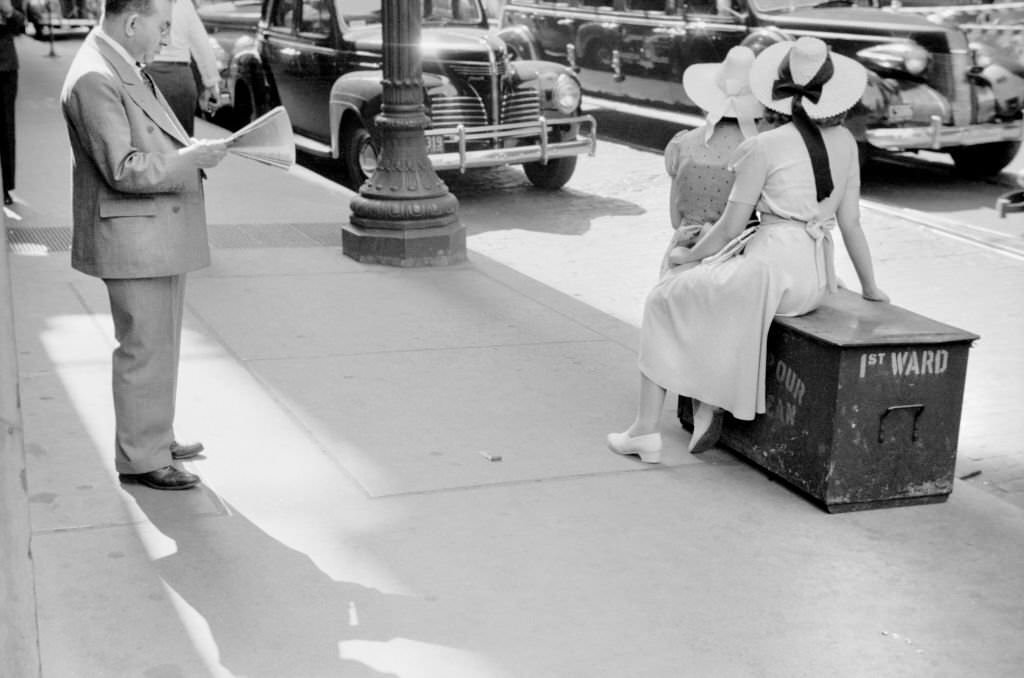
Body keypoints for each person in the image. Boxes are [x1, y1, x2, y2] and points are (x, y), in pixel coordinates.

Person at [608, 37, 889, 463]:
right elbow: (851, 223)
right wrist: (871, 287)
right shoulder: (846, 142)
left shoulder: (764, 146)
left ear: (777, 91)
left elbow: (728, 228)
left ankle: (646, 429)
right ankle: (705, 401)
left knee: (663, 299)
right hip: (814, 279)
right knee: (703, 295)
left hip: (770, 271)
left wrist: (688, 255)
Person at [61, 0, 229, 490]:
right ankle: (141, 456)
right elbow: (125, 168)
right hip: (135, 234)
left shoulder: (113, 63)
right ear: (132, 23)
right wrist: (191, 159)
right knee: (144, 347)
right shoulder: (96, 76)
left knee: (160, 343)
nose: (166, 39)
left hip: (149, 232)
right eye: (163, 28)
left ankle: (154, 435)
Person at [661, 45, 764, 275]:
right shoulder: (756, 151)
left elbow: (676, 220)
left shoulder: (681, 143)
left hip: (681, 256)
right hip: (731, 258)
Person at [144, 0, 219, 136]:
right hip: (180, 79)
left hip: (147, 74)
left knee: (150, 141)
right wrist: (211, 83)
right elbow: (201, 43)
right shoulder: (184, 3)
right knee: (182, 143)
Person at [0, 0, 25, 206]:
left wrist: (8, 11)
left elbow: (21, 25)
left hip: (5, 69)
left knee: (6, 129)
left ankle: (5, 187)